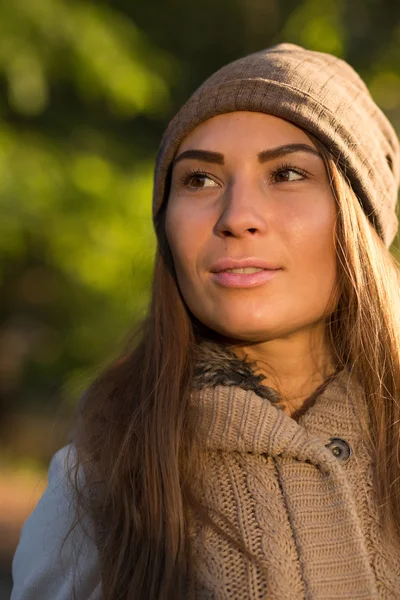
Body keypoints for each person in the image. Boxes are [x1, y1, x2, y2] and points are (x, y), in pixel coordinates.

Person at [10, 43, 400, 600]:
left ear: (357, 221)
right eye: (199, 180)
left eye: (287, 173)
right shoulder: (103, 478)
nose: (237, 217)